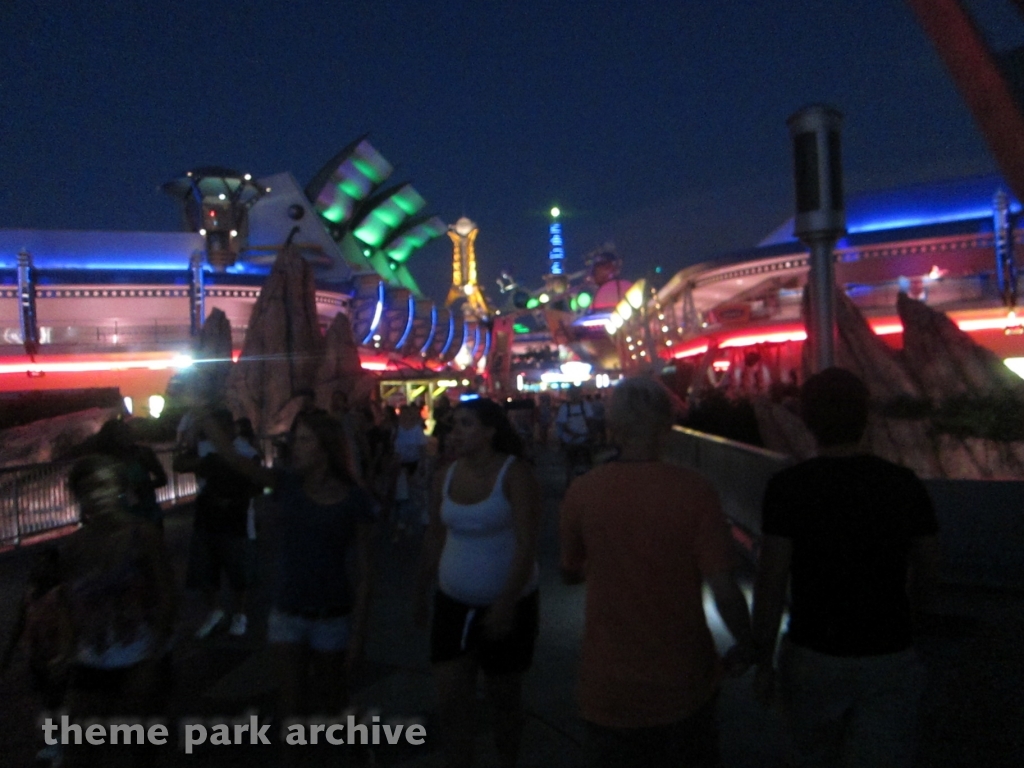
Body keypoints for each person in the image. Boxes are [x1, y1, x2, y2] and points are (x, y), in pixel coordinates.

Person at [560, 376, 754, 768]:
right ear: (668, 426)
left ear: (612, 425)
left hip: (607, 680)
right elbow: (724, 588)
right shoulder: (695, 491)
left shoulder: (584, 491)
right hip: (684, 677)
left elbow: (569, 570)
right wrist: (750, 643)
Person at [751, 367, 940, 768]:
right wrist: (918, 630)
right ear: (865, 416)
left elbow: (771, 580)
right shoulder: (904, 484)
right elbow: (927, 570)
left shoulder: (788, 488)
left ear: (807, 419)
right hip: (889, 650)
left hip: (814, 649)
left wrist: (763, 658)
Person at [195, 406, 377, 719]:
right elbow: (236, 461)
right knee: (291, 703)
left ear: (325, 447)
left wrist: (358, 631)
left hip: (332, 613)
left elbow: (366, 571)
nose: (295, 445)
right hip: (288, 610)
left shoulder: (353, 498)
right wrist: (207, 417)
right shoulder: (287, 483)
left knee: (334, 698)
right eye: (296, 438)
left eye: (305, 440)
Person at [415, 397, 541, 768]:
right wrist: (420, 589)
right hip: (453, 601)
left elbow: (526, 541)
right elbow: (436, 535)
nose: (456, 433)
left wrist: (505, 601)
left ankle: (508, 759)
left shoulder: (514, 474)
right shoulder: (445, 476)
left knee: (503, 698)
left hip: (509, 603)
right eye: (454, 425)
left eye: (466, 424)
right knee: (451, 701)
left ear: (490, 431)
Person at [58, 455, 178, 768]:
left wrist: (154, 654)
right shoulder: (73, 546)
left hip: (138, 654)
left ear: (119, 489)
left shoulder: (143, 535)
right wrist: (69, 650)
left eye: (102, 486)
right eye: (86, 490)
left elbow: (166, 593)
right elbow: (70, 601)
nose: (95, 496)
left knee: (138, 748)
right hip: (91, 657)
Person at [176, 408, 262, 639]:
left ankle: (240, 614)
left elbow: (257, 483)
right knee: (206, 568)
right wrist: (188, 440)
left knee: (238, 570)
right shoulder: (206, 450)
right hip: (208, 517)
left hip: (237, 518)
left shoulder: (244, 450)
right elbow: (180, 463)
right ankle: (216, 610)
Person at [393, 403, 429, 537]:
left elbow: (422, 449)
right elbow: (394, 448)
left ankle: (420, 517)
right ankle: (403, 520)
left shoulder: (416, 430)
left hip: (414, 462)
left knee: (416, 491)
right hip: (401, 464)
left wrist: (422, 465)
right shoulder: (397, 429)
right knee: (402, 493)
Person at [555, 387, 594, 485]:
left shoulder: (584, 405)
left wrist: (589, 433)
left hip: (582, 438)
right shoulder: (565, 407)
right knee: (570, 463)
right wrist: (572, 434)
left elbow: (590, 420)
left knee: (586, 463)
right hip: (570, 440)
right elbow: (562, 424)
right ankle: (570, 483)